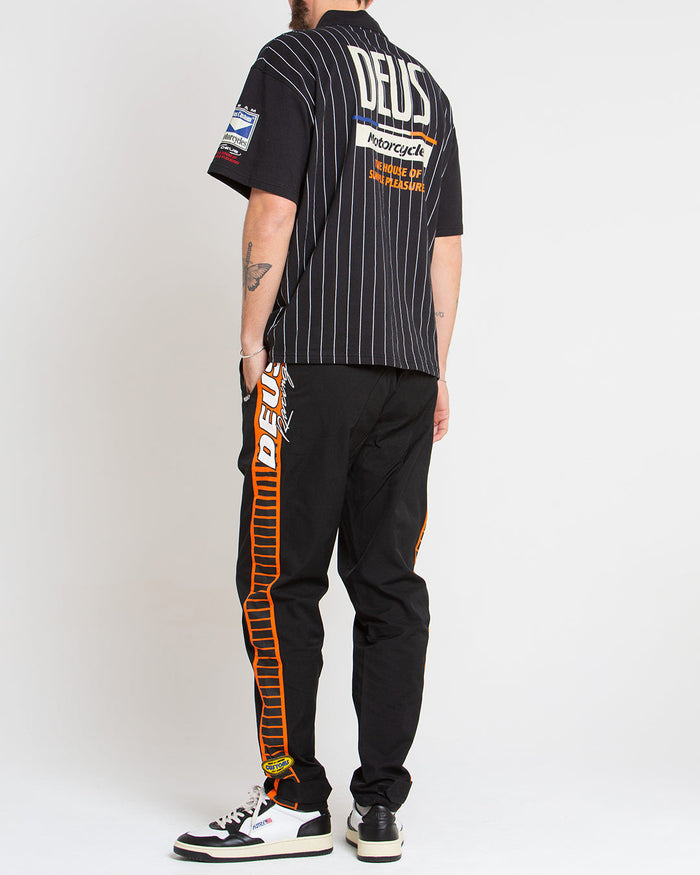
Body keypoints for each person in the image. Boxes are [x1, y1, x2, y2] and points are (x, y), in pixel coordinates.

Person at [173, 0, 462, 864]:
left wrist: (251, 341)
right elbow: (446, 246)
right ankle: (378, 807)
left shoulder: (291, 61)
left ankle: (292, 800)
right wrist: (437, 366)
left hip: (311, 360)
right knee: (388, 583)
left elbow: (272, 207)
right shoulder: (427, 90)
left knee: (277, 579)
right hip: (408, 370)